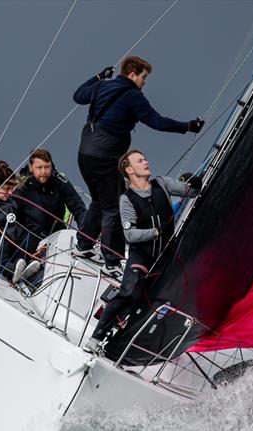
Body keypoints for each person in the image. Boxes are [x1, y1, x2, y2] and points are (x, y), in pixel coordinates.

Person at [72, 56, 205, 276]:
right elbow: (157, 122)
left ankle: (83, 245)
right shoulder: (134, 97)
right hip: (105, 158)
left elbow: (78, 96)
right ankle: (112, 263)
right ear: (132, 74)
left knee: (99, 200)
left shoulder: (102, 86)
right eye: (143, 77)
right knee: (113, 207)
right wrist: (188, 126)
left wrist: (97, 77)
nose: (145, 82)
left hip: (85, 153)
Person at [83, 149, 202, 354]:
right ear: (129, 169)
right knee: (130, 291)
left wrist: (196, 182)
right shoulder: (127, 199)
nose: (146, 162)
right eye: (140, 160)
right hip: (142, 255)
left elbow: (190, 192)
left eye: (145, 158)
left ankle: (134, 345)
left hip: (165, 254)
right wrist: (156, 232)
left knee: (160, 298)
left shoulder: (162, 183)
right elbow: (131, 235)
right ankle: (96, 338)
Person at [17, 148, 87, 254]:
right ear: (31, 168)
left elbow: (78, 207)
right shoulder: (20, 187)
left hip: (57, 237)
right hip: (28, 240)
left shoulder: (60, 181)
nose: (44, 172)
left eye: (47, 167)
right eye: (39, 168)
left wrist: (86, 233)